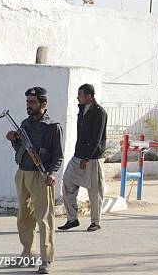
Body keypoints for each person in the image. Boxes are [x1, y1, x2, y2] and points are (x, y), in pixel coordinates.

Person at [6, 87, 63, 274]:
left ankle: (46, 259)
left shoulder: (52, 127)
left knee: (44, 219)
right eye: (27, 102)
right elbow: (20, 150)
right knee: (24, 217)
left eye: (32, 102)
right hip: (22, 174)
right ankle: (27, 253)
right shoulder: (25, 124)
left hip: (41, 176)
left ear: (43, 104)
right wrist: (13, 139)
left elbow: (58, 155)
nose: (28, 106)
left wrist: (52, 173)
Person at [58, 84, 107, 232]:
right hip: (78, 155)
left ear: (89, 97)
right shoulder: (81, 110)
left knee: (94, 191)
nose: (77, 97)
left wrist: (86, 157)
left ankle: (95, 222)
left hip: (91, 158)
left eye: (80, 95)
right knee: (67, 182)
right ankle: (72, 219)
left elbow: (96, 138)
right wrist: (80, 155)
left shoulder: (99, 112)